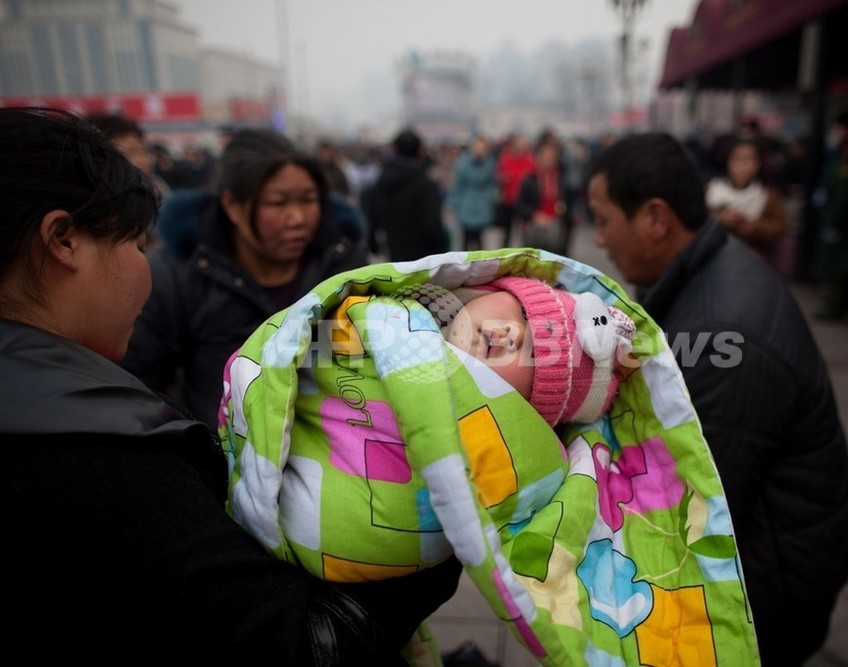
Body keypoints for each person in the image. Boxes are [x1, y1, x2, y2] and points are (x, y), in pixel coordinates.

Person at [0, 106, 460, 665]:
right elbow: (299, 642)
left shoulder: (345, 271)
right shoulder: (116, 460)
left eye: (307, 200)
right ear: (63, 241)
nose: (297, 218)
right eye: (134, 242)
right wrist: (443, 516)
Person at [587, 131, 848, 667]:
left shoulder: (723, 336)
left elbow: (678, 505)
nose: (598, 240)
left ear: (656, 218)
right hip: (781, 551)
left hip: (770, 590)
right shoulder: (705, 272)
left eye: (602, 220)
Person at [221, 275, 636, 585]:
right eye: (524, 313)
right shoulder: (400, 311)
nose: (513, 334)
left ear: (522, 409)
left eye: (538, 358)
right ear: (487, 291)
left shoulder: (498, 439)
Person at [119, 126, 368, 427]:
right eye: (278, 203)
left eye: (308, 200)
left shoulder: (341, 264)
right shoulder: (180, 274)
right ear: (233, 206)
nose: (298, 218)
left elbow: (354, 366)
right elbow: (143, 389)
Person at [813, 109, 848, 320]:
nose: (836, 132)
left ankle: (836, 308)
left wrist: (833, 219)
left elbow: (846, 191)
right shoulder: (839, 153)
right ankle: (832, 305)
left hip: (846, 221)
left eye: (840, 128)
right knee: (830, 265)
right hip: (832, 216)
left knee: (839, 267)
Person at [364, 127, 448, 261]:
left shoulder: (382, 181)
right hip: (423, 259)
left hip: (394, 256)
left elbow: (372, 218)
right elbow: (433, 226)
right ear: (419, 151)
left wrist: (373, 244)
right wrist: (442, 249)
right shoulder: (424, 184)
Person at [706, 138, 789, 268]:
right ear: (728, 161)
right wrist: (719, 218)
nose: (746, 165)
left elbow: (780, 227)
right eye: (740, 159)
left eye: (752, 160)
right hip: (715, 260)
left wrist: (753, 227)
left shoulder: (767, 194)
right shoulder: (712, 189)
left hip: (754, 261)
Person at [85, 111, 171, 198]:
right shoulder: (92, 201)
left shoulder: (159, 189)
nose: (144, 161)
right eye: (130, 152)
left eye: (144, 151)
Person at [515, 139, 569, 254]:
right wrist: (535, 215)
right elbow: (520, 205)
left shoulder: (561, 179)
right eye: (546, 156)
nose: (549, 160)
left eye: (552, 157)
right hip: (534, 226)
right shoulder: (530, 179)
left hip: (555, 224)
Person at [448, 134, 497, 251]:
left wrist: (490, 199)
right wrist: (455, 205)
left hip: (482, 205)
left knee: (480, 242)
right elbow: (458, 186)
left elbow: (491, 185)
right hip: (466, 205)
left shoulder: (489, 164)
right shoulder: (463, 164)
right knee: (466, 241)